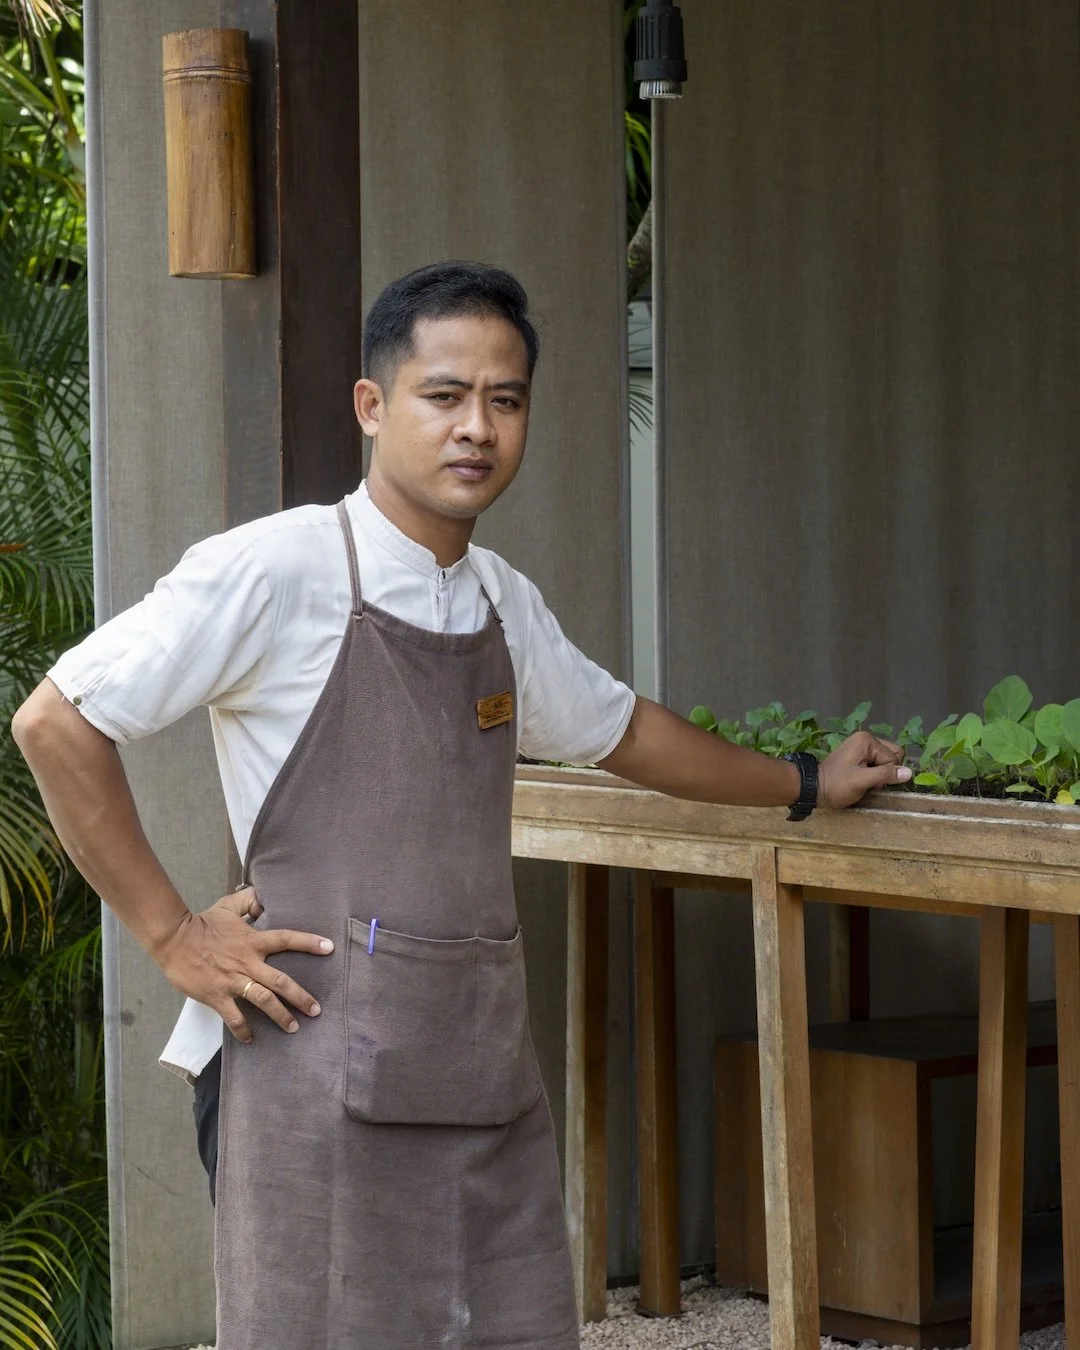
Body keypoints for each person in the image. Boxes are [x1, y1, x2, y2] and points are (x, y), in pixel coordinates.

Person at [12, 261, 911, 1349]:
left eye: (506, 400)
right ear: (374, 406)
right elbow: (57, 722)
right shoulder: (278, 568)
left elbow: (625, 732)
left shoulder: (498, 600)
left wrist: (807, 785)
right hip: (309, 1063)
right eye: (444, 395)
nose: (476, 428)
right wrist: (169, 935)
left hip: (477, 1063)